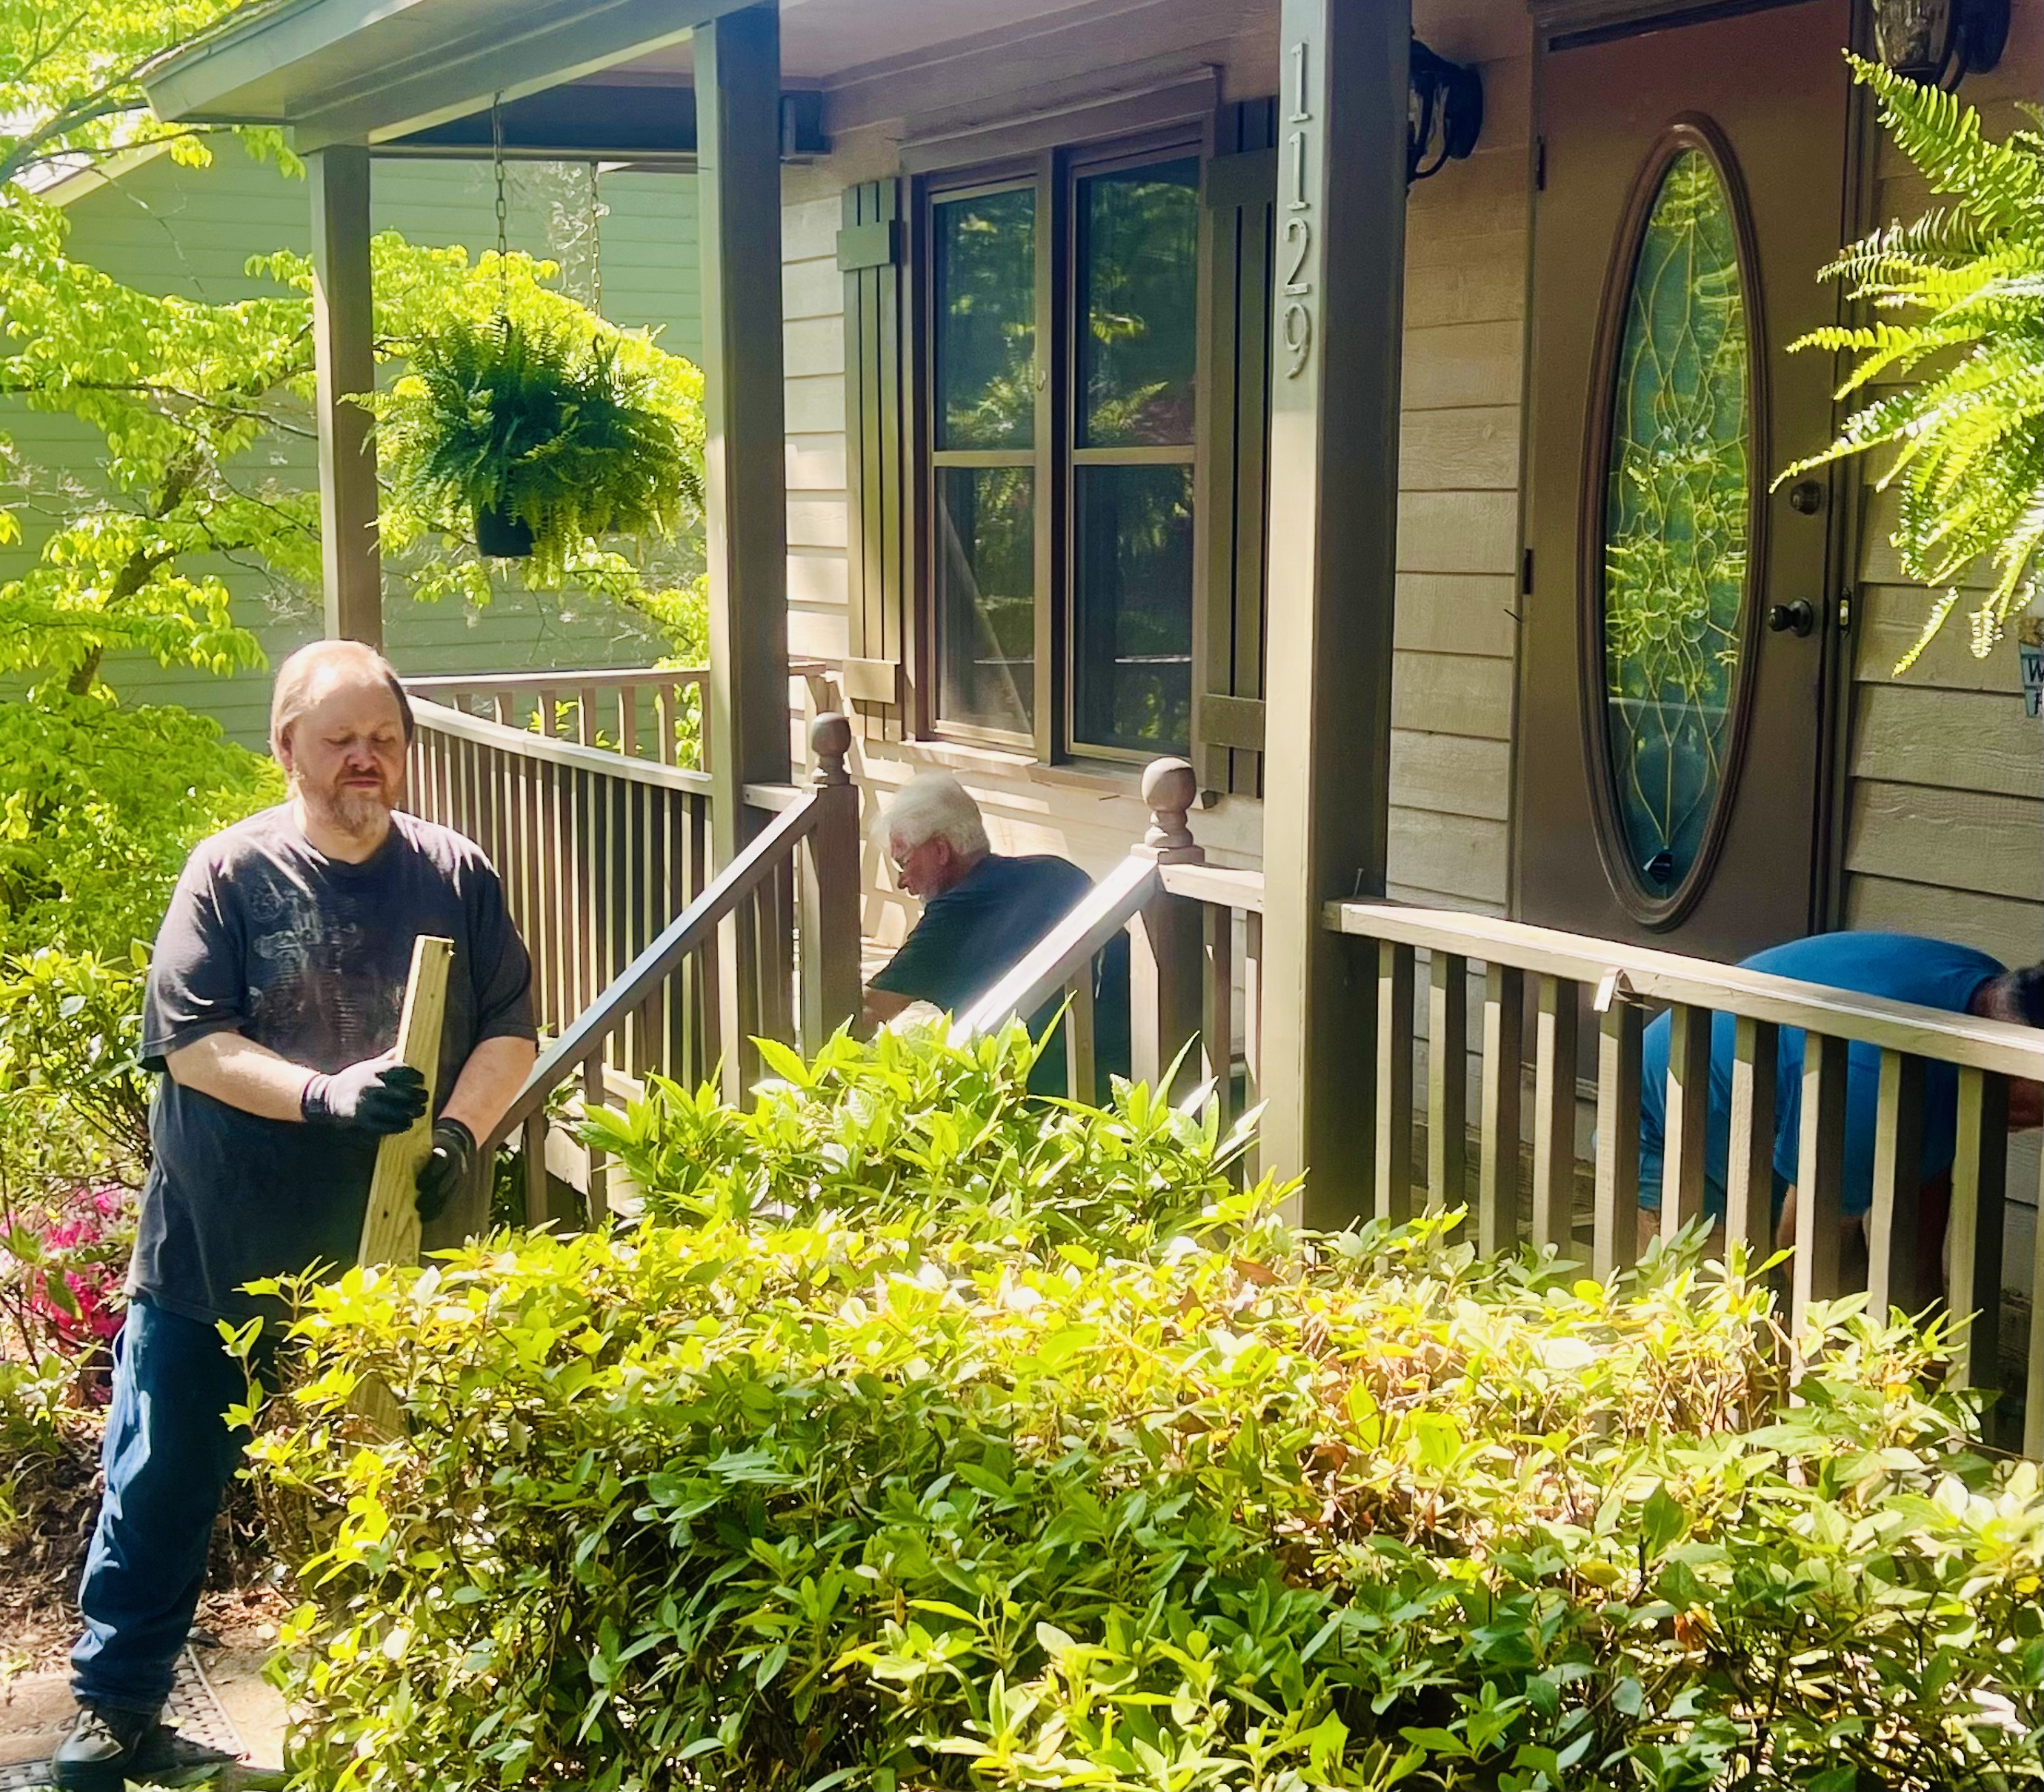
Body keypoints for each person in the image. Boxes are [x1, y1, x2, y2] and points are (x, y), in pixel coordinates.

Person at [54, 641, 539, 1792]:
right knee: (164, 1476)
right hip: (222, 1244)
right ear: (286, 746)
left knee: (406, 1484)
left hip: (391, 1259)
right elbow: (193, 1045)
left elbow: (509, 1028)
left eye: (385, 739)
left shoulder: (455, 872)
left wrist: (458, 1133)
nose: (367, 759)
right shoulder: (229, 871)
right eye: (342, 739)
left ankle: (409, 1717)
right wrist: (326, 1096)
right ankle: (115, 1714)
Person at [1637, 931, 2044, 1268]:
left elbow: (1915, 1250)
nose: (2032, 1124)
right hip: (1671, 1134)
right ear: (2016, 1059)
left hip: (1766, 1138)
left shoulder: (1992, 1003)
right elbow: (1807, 1261)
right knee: (1718, 1324)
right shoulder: (1872, 1076)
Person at [861, 773, 1129, 1095]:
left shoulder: (955, 913)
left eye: (904, 862)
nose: (902, 881)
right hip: (1126, 1073)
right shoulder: (1058, 872)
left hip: (1041, 1097)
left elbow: (867, 1012)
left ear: (941, 850)